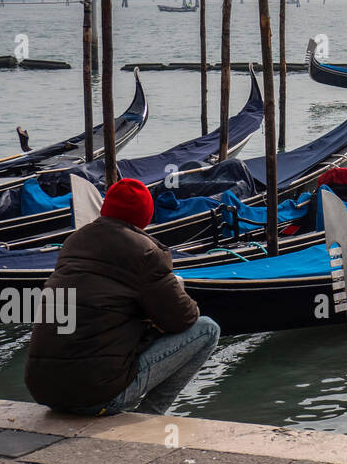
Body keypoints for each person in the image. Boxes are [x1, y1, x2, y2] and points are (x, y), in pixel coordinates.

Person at [25, 178, 220, 416]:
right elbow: (184, 319)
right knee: (207, 329)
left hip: (45, 391)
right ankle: (152, 415)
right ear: (145, 217)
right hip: (95, 397)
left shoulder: (74, 242)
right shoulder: (147, 253)